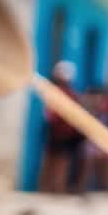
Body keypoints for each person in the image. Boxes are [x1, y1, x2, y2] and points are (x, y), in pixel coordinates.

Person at [40, 61, 82, 194]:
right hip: (59, 132)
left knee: (58, 162)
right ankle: (52, 189)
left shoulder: (66, 93)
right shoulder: (63, 93)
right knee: (56, 161)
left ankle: (54, 189)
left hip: (63, 133)